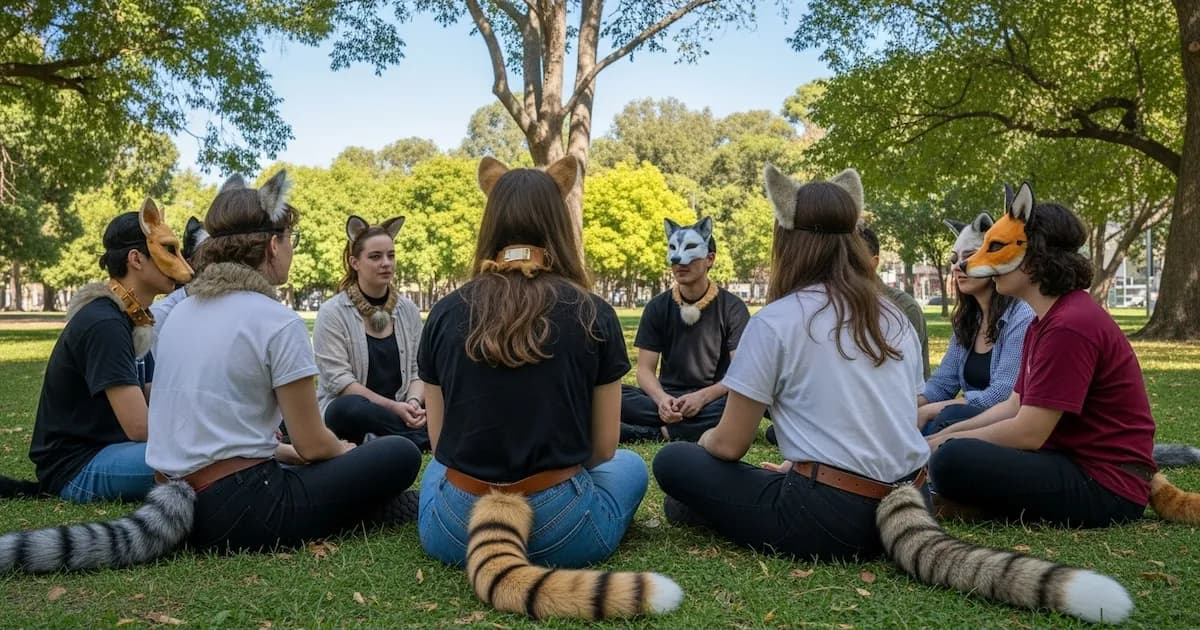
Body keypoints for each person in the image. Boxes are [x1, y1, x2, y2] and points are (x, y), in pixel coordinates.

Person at [652, 165, 929, 561]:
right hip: (913, 502)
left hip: (832, 519)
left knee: (675, 462)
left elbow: (730, 444)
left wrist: (702, 445)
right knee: (694, 495)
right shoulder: (895, 315)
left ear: (787, 242)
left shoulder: (776, 320)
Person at [147, 172, 421, 552]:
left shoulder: (177, 313)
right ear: (273, 246)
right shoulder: (276, 319)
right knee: (400, 454)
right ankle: (375, 507)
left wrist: (298, 454)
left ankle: (365, 503)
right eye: (291, 240)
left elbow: (225, 437)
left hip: (172, 495)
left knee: (347, 462)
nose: (292, 250)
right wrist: (342, 451)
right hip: (240, 507)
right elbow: (313, 446)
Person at [417, 155, 648, 568]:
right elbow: (603, 448)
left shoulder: (443, 312)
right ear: (558, 222)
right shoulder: (592, 312)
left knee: (436, 473)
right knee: (631, 466)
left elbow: (439, 444)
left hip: (459, 529)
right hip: (562, 526)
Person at [926, 183, 1155, 528]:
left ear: (1035, 256)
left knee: (951, 458)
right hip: (1067, 460)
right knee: (947, 434)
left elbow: (1028, 432)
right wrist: (938, 437)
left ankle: (976, 499)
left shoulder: (1069, 325)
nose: (976, 264)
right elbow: (1014, 404)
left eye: (997, 250)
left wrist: (943, 444)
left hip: (1107, 484)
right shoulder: (1043, 321)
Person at [26, 200, 192, 503]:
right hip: (77, 467)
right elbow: (140, 426)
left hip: (111, 450)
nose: (186, 266)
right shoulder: (105, 323)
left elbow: (155, 396)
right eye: (169, 251)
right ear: (136, 259)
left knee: (212, 448)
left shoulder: (134, 321)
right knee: (206, 457)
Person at [619, 216, 750, 443]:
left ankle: (655, 432)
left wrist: (702, 397)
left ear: (709, 259)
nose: (680, 261)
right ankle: (679, 426)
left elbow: (741, 374)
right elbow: (644, 370)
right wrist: (662, 400)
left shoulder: (733, 308)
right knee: (611, 394)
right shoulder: (657, 307)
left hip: (713, 399)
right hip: (666, 398)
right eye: (674, 252)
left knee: (743, 401)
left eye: (690, 250)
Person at [313, 215, 429, 449]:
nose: (386, 263)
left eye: (391, 255)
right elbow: (340, 382)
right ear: (355, 263)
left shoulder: (408, 310)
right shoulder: (332, 312)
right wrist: (394, 408)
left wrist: (414, 403)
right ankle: (426, 438)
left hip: (403, 408)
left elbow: (420, 369)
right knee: (345, 410)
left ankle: (389, 438)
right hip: (358, 411)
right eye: (375, 257)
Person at [917, 213, 1033, 435]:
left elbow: (1001, 395)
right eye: (954, 259)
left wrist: (929, 411)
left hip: (1002, 428)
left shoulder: (1022, 316)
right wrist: (913, 406)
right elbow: (943, 383)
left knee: (939, 422)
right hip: (964, 420)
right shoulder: (968, 320)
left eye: (969, 256)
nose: (957, 266)